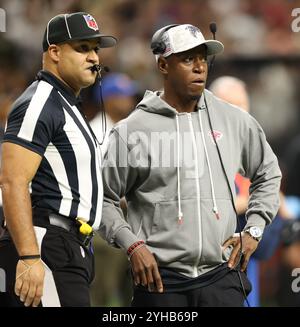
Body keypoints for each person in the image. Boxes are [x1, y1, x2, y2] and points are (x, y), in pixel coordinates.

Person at [99, 24, 282, 307]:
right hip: (160, 281)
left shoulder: (233, 119)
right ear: (163, 64)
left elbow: (268, 172)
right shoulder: (132, 131)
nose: (199, 67)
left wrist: (254, 228)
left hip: (221, 276)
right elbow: (103, 199)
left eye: (202, 59)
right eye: (187, 59)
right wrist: (132, 245)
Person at [0, 12, 116, 307]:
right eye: (83, 48)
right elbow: (12, 181)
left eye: (95, 49)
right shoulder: (40, 102)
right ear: (54, 51)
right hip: (46, 241)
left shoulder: (66, 103)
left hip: (67, 245)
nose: (93, 58)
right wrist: (29, 256)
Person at [210, 76, 293, 306]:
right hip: (212, 265)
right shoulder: (203, 146)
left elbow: (268, 188)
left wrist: (273, 198)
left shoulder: (252, 146)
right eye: (232, 105)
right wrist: (249, 201)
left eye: (243, 105)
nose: (240, 112)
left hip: (247, 258)